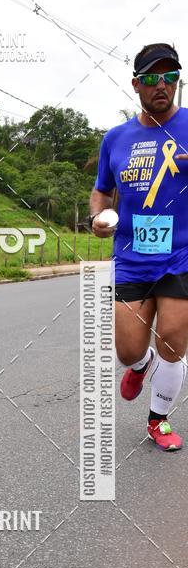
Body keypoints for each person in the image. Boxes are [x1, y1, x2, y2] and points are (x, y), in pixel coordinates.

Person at [91, 43, 188, 451]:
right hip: (131, 259)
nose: (161, 84)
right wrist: (98, 218)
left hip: (181, 256)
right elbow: (101, 191)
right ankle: (141, 364)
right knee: (128, 350)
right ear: (136, 84)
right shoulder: (116, 139)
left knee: (172, 341)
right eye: (151, 77)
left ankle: (158, 420)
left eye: (170, 76)